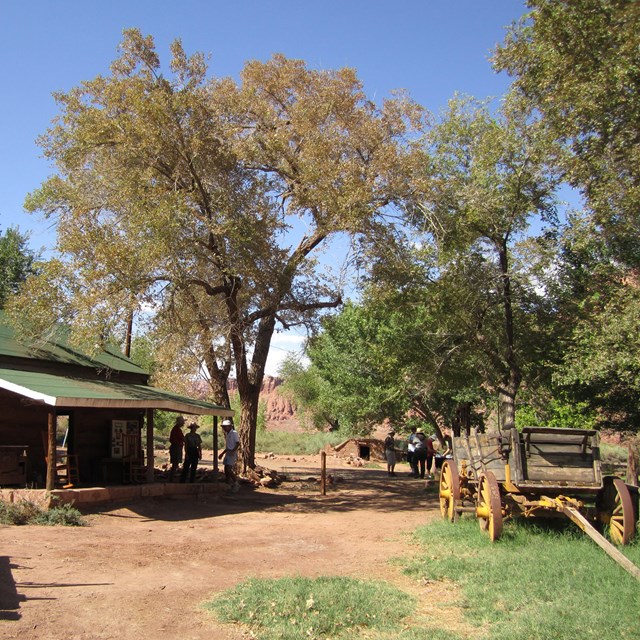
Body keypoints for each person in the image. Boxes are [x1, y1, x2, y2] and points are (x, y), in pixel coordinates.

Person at [219, 418, 240, 491]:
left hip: (232, 453)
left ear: (230, 426)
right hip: (228, 452)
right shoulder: (228, 434)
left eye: (225, 427)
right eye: (223, 427)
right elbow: (228, 446)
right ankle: (227, 483)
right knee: (226, 468)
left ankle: (236, 482)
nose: (224, 428)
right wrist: (222, 453)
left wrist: (233, 451)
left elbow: (237, 443)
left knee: (228, 468)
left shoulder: (234, 433)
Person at [168, 416, 185, 482]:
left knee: (176, 463)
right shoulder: (177, 429)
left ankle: (172, 478)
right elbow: (182, 438)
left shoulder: (176, 429)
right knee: (175, 463)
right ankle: (171, 479)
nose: (183, 423)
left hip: (176, 447)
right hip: (176, 447)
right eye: (182, 422)